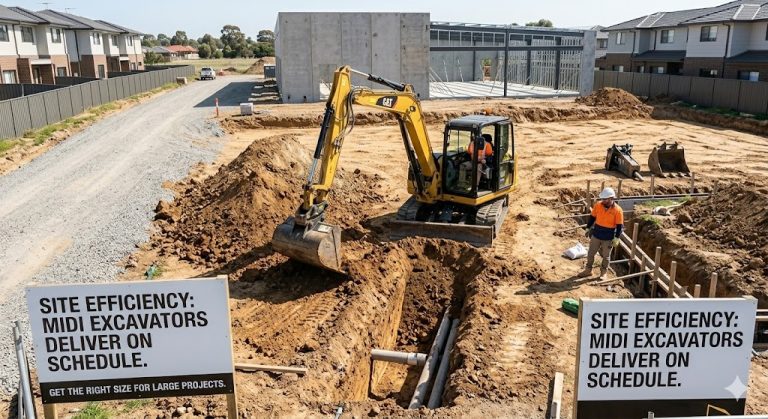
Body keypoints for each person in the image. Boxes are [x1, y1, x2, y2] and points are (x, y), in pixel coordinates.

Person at [579, 187, 624, 279]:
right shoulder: (598, 205)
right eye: (602, 199)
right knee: (591, 253)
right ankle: (588, 270)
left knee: (606, 256)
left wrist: (617, 238)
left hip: (608, 236)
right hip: (597, 233)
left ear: (611, 198)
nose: (602, 200)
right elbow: (592, 217)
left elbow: (619, 226)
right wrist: (588, 228)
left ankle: (603, 273)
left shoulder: (618, 210)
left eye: (605, 199)